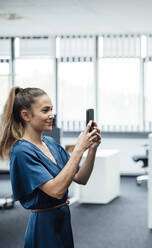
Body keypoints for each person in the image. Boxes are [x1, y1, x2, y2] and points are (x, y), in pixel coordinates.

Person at [0, 87, 101, 248]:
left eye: (52, 110)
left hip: (63, 220)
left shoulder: (51, 143)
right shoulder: (21, 151)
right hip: (43, 225)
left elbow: (81, 178)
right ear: (25, 115)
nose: (51, 115)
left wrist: (92, 149)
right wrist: (79, 149)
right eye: (45, 110)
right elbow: (56, 190)